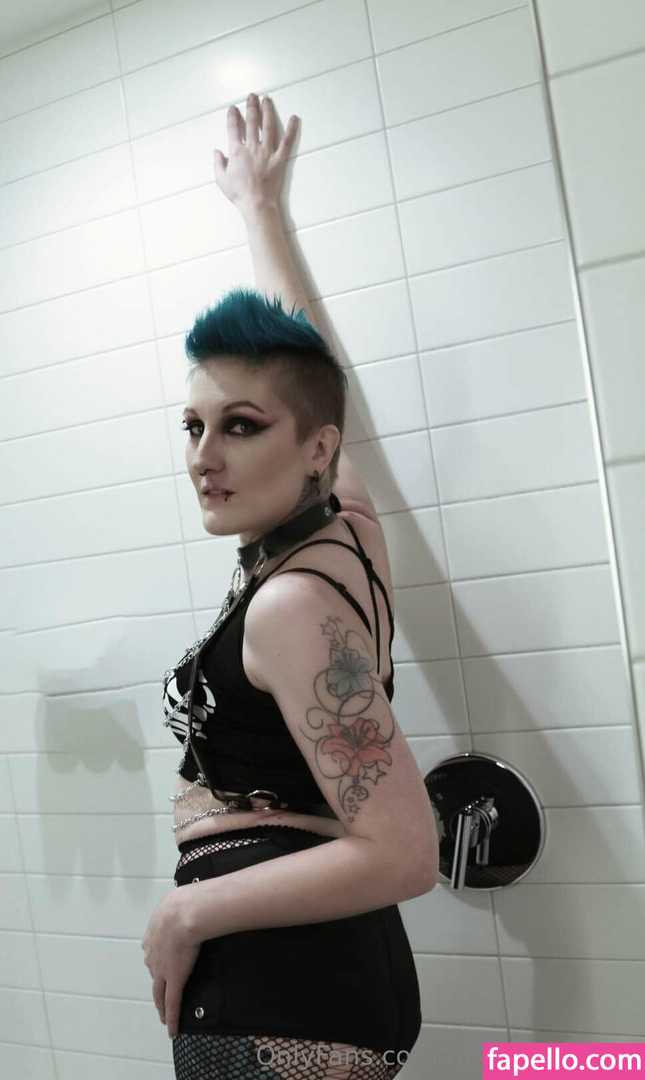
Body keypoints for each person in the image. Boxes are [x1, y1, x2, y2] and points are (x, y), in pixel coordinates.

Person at [141, 92, 439, 1080]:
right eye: (194, 426)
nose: (203, 456)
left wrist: (188, 910)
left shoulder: (290, 604)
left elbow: (405, 851)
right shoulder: (346, 537)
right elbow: (315, 386)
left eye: (240, 426)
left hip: (277, 1002)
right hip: (326, 989)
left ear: (312, 448)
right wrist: (259, 212)